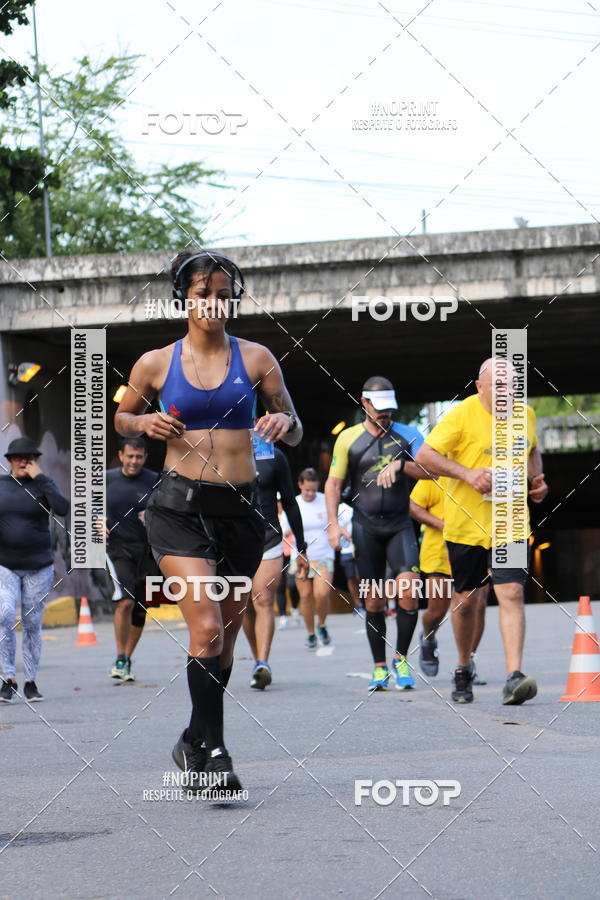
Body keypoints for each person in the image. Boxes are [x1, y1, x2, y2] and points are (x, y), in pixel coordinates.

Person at [114, 249, 302, 795]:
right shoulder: (155, 362)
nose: (213, 305)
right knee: (205, 628)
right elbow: (122, 415)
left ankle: (194, 737)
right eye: (202, 295)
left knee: (225, 639)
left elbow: (293, 426)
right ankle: (215, 756)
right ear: (184, 299)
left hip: (241, 511)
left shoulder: (258, 358)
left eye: (223, 295)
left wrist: (282, 420)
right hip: (178, 509)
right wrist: (144, 420)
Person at [415, 358, 548, 705]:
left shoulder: (527, 415)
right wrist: (467, 474)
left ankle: (514, 675)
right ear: (480, 387)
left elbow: (532, 451)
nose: (508, 393)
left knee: (512, 593)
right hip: (465, 526)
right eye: (499, 386)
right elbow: (424, 456)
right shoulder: (460, 415)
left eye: (514, 386)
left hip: (511, 523)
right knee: (467, 603)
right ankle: (462, 667)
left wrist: (537, 481)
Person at [325, 377, 428, 692]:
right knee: (373, 601)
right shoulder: (348, 438)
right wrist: (332, 523)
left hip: (399, 524)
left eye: (389, 408)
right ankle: (379, 667)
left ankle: (401, 659)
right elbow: (333, 483)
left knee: (409, 589)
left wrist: (402, 467)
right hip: (365, 526)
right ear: (364, 403)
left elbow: (432, 471)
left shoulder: (408, 435)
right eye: (378, 408)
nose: (384, 414)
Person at [0, 437, 69, 702]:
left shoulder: (42, 486)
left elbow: (62, 508)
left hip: (39, 565)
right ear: (9, 461)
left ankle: (30, 681)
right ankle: (8, 679)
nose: (23, 462)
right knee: (5, 614)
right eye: (17, 457)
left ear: (35, 461)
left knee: (31, 623)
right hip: (5, 563)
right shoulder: (2, 485)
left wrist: (41, 478)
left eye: (29, 458)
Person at [242, 448, 307, 689]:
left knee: (263, 598)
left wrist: (301, 545)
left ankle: (263, 662)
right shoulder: (220, 446)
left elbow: (289, 501)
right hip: (234, 539)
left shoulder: (273, 455)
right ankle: (257, 658)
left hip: (268, 536)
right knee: (243, 604)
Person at [105, 437, 158, 682]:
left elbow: (168, 509)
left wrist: (153, 514)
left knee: (141, 607)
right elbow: (87, 507)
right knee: (125, 601)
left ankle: (126, 658)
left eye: (139, 457)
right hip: (117, 548)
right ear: (121, 455)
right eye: (130, 456)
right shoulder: (107, 479)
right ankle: (118, 655)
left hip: (147, 551)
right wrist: (97, 522)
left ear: (145, 457)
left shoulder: (154, 480)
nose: (134, 461)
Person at [286, 468, 334, 650]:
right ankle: (311, 633)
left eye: (314, 490)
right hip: (300, 556)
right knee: (305, 597)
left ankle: (321, 624)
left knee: (321, 594)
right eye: (307, 490)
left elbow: (334, 523)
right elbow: (284, 530)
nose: (310, 493)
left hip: (324, 555)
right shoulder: (293, 503)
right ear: (300, 485)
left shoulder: (325, 500)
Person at [276, 496, 302, 630]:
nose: (278, 504)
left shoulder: (289, 514)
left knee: (292, 584)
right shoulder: (270, 516)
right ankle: (282, 616)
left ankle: (294, 608)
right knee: (280, 586)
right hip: (278, 554)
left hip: (292, 554)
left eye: (279, 501)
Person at [337, 501, 362, 612]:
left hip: (355, 548)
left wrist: (355, 546)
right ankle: (358, 605)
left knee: (361, 576)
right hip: (344, 550)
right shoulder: (325, 509)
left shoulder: (347, 509)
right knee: (350, 578)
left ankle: (369, 603)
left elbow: (356, 529)